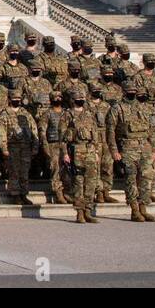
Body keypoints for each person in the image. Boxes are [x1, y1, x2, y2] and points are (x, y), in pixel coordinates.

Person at [107, 78, 155, 222]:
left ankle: (143, 207)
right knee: (131, 179)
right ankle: (134, 209)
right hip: (127, 146)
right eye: (129, 91)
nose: (132, 93)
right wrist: (114, 150)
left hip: (145, 146)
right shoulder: (117, 108)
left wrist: (154, 149)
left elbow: (153, 130)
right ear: (123, 91)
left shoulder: (144, 107)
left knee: (146, 178)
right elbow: (110, 131)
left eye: (134, 91)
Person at [63, 91, 102, 224]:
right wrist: (65, 153)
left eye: (82, 98)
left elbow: (95, 133)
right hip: (76, 150)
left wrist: (96, 151)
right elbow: (62, 136)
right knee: (78, 182)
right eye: (78, 98)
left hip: (90, 150)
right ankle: (79, 212)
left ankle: (88, 211)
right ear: (73, 100)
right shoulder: (67, 115)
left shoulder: (89, 114)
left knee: (91, 183)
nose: (81, 100)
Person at [0, 89, 39, 205]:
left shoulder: (25, 113)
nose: (17, 101)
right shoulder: (5, 114)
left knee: (24, 171)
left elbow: (34, 129)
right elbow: (2, 132)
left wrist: (35, 146)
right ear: (10, 100)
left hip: (26, 146)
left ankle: (24, 194)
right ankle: (15, 194)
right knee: (14, 171)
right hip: (13, 146)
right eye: (14, 99)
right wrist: (4, 148)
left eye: (18, 99)